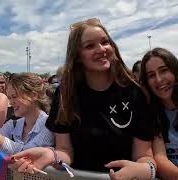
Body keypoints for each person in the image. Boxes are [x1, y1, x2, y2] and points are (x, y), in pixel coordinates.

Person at [12, 18, 156, 180]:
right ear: (78, 56)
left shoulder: (134, 92)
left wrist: (145, 168)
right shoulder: (65, 94)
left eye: (105, 42)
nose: (101, 49)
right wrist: (51, 155)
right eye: (90, 46)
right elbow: (65, 152)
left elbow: (144, 154)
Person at [140, 47, 178, 179]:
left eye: (164, 70)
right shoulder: (152, 114)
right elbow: (161, 161)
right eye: (151, 75)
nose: (159, 79)